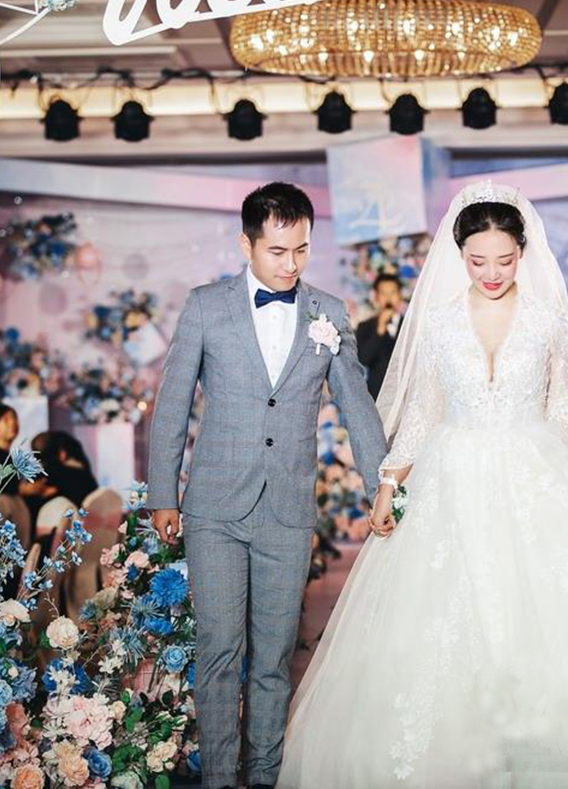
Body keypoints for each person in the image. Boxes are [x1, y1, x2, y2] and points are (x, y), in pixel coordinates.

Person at [277, 182, 568, 787]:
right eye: (478, 261)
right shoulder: (437, 323)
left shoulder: (547, 321)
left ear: (523, 253)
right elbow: (423, 414)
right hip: (451, 477)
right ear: (459, 255)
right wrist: (388, 484)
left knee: (550, 615)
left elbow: (564, 412)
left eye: (505, 260)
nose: (491, 273)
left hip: (534, 471)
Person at [147, 182, 387, 789]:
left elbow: (357, 406)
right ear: (246, 245)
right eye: (278, 251)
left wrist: (381, 484)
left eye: (302, 249)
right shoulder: (206, 307)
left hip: (287, 510)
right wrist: (163, 495)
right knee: (219, 651)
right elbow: (172, 404)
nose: (291, 264)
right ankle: (218, 779)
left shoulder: (328, 312)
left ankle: (264, 778)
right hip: (214, 509)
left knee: (275, 657)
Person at [354, 273, 405, 399]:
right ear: (376, 297)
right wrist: (380, 329)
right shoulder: (365, 327)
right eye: (383, 293)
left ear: (400, 295)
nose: (388, 298)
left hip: (404, 392)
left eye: (393, 293)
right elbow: (363, 359)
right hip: (376, 394)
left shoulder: (410, 326)